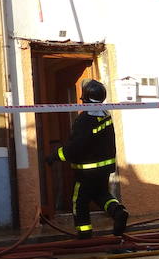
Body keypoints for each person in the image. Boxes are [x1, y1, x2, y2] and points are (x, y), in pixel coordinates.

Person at [47, 79, 128, 239]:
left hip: (86, 172)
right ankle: (118, 211)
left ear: (86, 99)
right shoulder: (106, 115)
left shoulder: (84, 120)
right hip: (104, 169)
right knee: (101, 195)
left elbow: (76, 146)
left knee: (80, 201)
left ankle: (84, 234)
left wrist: (55, 156)